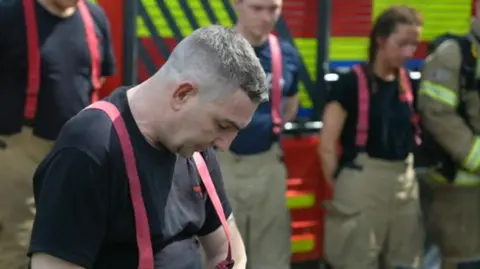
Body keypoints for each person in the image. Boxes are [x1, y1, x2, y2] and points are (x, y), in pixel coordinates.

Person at [28, 25, 268, 269]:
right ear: (183, 94)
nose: (224, 145)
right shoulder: (90, 148)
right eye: (222, 125)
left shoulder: (196, 148)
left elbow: (228, 250)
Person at [0, 0, 115, 267]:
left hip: (79, 153)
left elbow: (101, 77)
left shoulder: (95, 17)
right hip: (20, 149)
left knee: (73, 241)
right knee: (18, 242)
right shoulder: (8, 14)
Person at [319, 6, 424, 269]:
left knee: (405, 262)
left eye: (413, 45)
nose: (409, 52)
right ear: (380, 39)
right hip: (362, 184)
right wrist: (345, 186)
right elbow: (326, 146)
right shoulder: (350, 83)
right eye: (402, 44)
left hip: (404, 185)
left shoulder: (409, 83)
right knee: (356, 261)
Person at [216, 0, 301, 268]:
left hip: (267, 165)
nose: (266, 17)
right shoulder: (213, 52)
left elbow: (290, 105)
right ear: (237, 4)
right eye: (257, 8)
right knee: (221, 256)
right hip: (220, 164)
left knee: (272, 257)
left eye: (273, 9)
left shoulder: (286, 54)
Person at [416, 4, 480, 268]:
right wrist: (475, 155)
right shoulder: (453, 55)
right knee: (464, 259)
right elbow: (436, 112)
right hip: (461, 190)